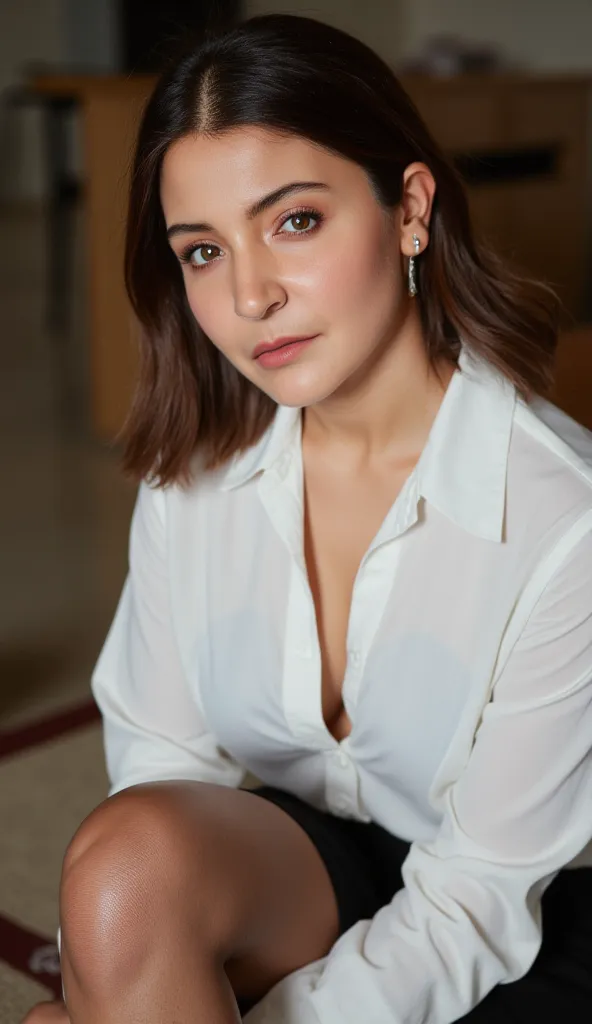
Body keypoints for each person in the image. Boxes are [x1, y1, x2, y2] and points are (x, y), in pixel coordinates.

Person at [23, 13, 592, 1024]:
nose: (250, 295)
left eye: (294, 221)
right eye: (201, 250)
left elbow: (474, 901)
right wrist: (122, 969)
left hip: (528, 924)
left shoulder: (564, 521)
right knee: (121, 882)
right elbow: (162, 764)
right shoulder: (195, 476)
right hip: (318, 861)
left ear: (409, 209)